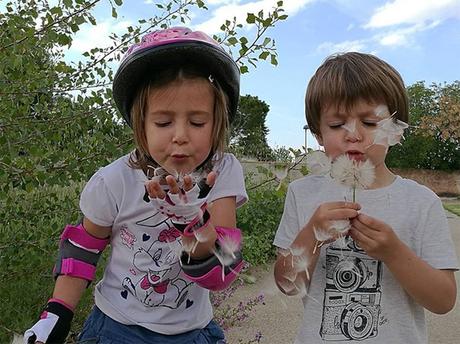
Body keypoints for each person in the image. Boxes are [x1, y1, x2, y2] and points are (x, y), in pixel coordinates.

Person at [24, 26, 247, 344]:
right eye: (163, 122)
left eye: (197, 122)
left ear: (218, 122)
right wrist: (57, 313)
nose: (180, 134)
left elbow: (222, 272)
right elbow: (84, 247)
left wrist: (195, 221)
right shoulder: (114, 181)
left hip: (192, 331)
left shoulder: (222, 172)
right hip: (117, 328)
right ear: (139, 123)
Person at [273, 52, 458, 343]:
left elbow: (443, 301)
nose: (353, 135)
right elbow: (288, 284)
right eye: (336, 125)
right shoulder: (303, 193)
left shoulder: (422, 203)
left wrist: (394, 253)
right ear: (319, 133)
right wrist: (312, 234)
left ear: (396, 131)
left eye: (370, 123)